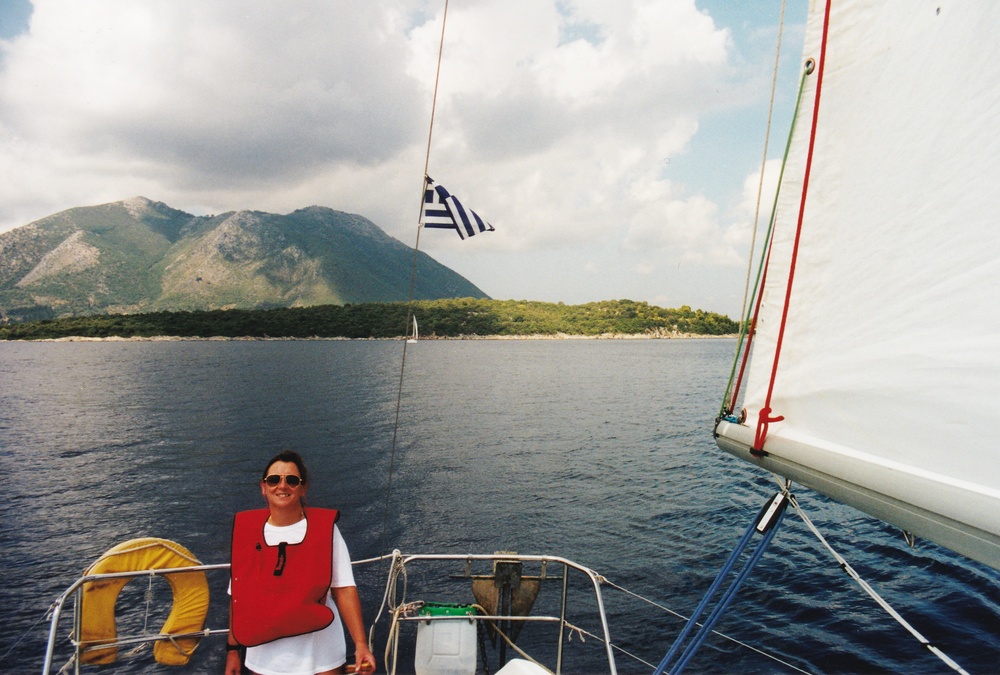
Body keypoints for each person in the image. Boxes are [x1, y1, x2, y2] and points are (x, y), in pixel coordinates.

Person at [225, 451, 377, 675]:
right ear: (263, 487)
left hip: (320, 652)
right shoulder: (247, 532)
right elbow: (238, 596)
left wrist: (361, 644)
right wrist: (232, 651)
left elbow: (343, 588)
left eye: (292, 480)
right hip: (264, 655)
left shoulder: (326, 530)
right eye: (274, 480)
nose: (282, 486)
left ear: (303, 488)